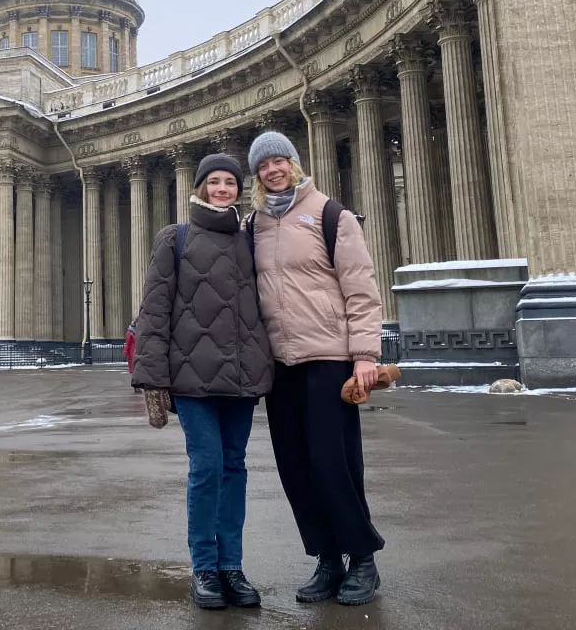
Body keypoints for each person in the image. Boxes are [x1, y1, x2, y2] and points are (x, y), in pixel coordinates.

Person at [247, 130, 386, 607]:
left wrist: (365, 354)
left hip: (328, 357)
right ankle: (327, 558)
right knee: (296, 468)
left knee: (334, 463)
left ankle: (362, 558)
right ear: (258, 175)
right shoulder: (256, 226)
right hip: (280, 364)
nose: (272, 170)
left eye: (279, 161)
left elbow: (361, 288)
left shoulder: (330, 215)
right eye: (263, 165)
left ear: (294, 163)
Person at [131, 153, 274, 610]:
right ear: (199, 188)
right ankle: (205, 569)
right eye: (213, 181)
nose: (222, 189)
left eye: (230, 182)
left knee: (234, 470)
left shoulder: (252, 239)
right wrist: (153, 380)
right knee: (207, 468)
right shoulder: (175, 238)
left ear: (239, 189)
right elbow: (154, 311)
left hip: (241, 378)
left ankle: (232, 566)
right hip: (191, 380)